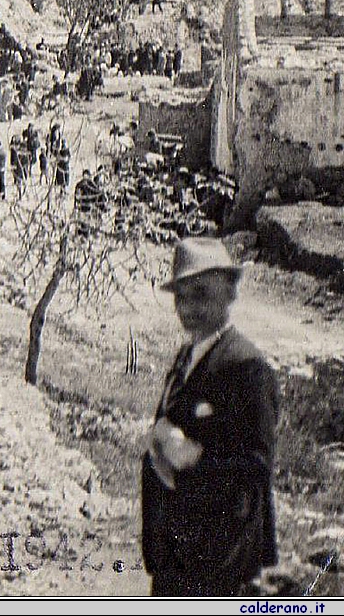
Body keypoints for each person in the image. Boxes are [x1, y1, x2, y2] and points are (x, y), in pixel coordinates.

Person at [141, 238, 278, 597]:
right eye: (180, 297)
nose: (188, 307)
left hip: (221, 561)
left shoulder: (246, 365)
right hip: (177, 554)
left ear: (230, 292)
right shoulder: (186, 357)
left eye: (201, 293)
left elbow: (257, 464)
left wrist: (194, 457)